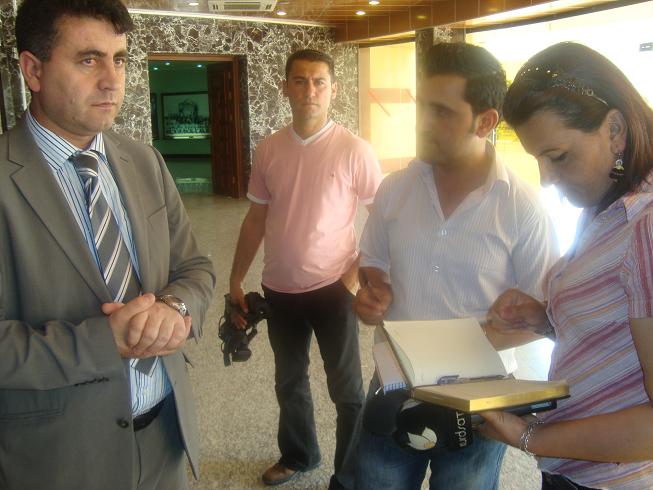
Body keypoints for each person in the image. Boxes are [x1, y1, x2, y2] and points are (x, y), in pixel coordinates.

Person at [0, 1, 215, 489]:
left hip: (164, 438)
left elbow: (195, 267)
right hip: (60, 459)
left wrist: (176, 307)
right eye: (88, 60)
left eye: (119, 59)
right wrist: (102, 342)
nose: (112, 81)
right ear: (33, 70)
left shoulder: (144, 161)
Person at [353, 42, 559, 490]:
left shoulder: (522, 209)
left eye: (441, 112)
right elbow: (371, 262)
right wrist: (372, 291)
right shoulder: (395, 189)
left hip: (480, 398)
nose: (422, 122)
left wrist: (472, 341)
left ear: (485, 121)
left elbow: (548, 315)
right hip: (395, 381)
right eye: (422, 106)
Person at [480, 42, 653, 490]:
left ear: (615, 130)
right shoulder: (607, 203)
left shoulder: (645, 224)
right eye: (537, 158)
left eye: (558, 157)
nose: (545, 179)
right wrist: (546, 318)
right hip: (577, 467)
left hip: (614, 478)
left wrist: (529, 436)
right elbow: (618, 335)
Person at [228, 49, 382, 489]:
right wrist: (236, 277)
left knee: (347, 391)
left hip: (335, 289)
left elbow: (383, 223)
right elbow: (255, 219)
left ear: (333, 90)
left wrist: (353, 277)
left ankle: (349, 475)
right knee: (289, 382)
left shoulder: (355, 150)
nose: (309, 90)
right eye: (299, 81)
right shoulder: (270, 148)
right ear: (285, 87)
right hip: (280, 288)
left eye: (318, 82)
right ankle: (299, 454)